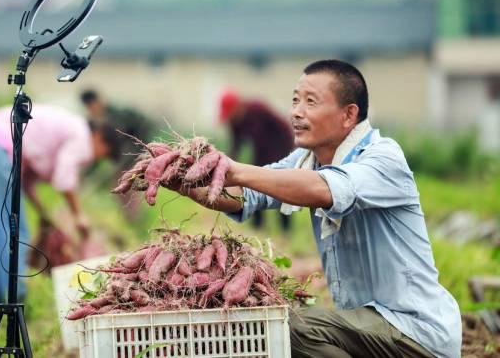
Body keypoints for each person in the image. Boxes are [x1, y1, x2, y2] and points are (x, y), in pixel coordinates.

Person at [173, 60, 461, 357]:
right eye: (295, 100)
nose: (296, 112)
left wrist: (235, 170)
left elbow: (325, 188)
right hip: (370, 329)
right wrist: (182, 182)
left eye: (310, 102)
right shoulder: (305, 159)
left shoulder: (383, 158)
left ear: (349, 115)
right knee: (280, 321)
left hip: (415, 332)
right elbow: (245, 195)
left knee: (291, 326)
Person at [0, 104, 121, 305]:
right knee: (15, 233)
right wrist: (78, 215)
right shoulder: (82, 135)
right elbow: (64, 177)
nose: (97, 158)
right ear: (99, 139)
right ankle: (15, 301)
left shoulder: (68, 126)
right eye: (104, 153)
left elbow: (24, 181)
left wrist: (43, 213)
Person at [219, 88, 295, 231]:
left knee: (281, 186)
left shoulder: (257, 110)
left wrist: (288, 156)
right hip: (261, 151)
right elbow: (235, 145)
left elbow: (284, 129)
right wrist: (225, 166)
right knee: (254, 184)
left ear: (237, 107)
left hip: (279, 146)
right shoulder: (234, 121)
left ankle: (286, 228)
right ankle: (258, 225)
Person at [80, 89, 156, 219]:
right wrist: (86, 173)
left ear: (98, 101)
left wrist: (138, 151)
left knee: (126, 183)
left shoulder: (118, 116)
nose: (92, 110)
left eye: (93, 105)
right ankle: (131, 217)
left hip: (136, 153)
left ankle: (135, 217)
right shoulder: (99, 120)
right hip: (123, 157)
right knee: (119, 184)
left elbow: (142, 128)